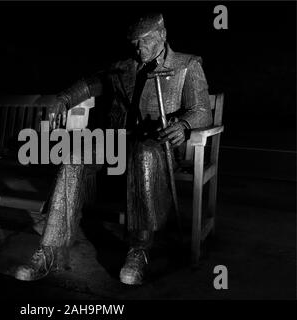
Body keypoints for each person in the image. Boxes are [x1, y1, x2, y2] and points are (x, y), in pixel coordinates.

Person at [14, 13, 212, 285]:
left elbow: (202, 110)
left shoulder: (187, 65)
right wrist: (63, 98)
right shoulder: (124, 67)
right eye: (135, 42)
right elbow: (90, 83)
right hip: (118, 141)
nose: (138, 48)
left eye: (145, 41)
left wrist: (185, 124)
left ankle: (139, 248)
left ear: (163, 35)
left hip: (157, 146)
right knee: (74, 157)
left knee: (144, 155)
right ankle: (51, 249)